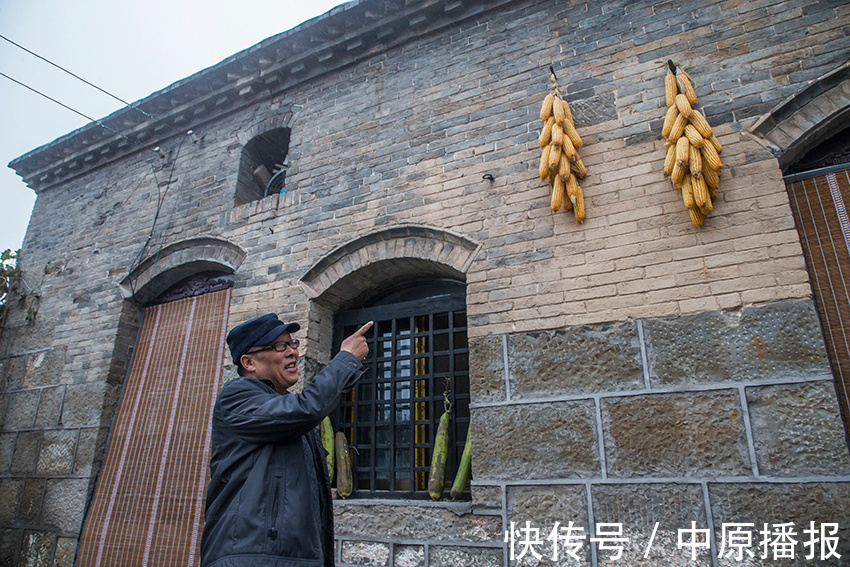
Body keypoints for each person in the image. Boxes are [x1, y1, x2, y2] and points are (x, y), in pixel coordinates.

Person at [200, 313, 373, 567]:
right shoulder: (236, 397)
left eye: (292, 344)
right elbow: (306, 408)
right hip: (249, 556)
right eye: (279, 346)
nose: (292, 352)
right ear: (248, 362)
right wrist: (345, 359)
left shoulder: (284, 411)